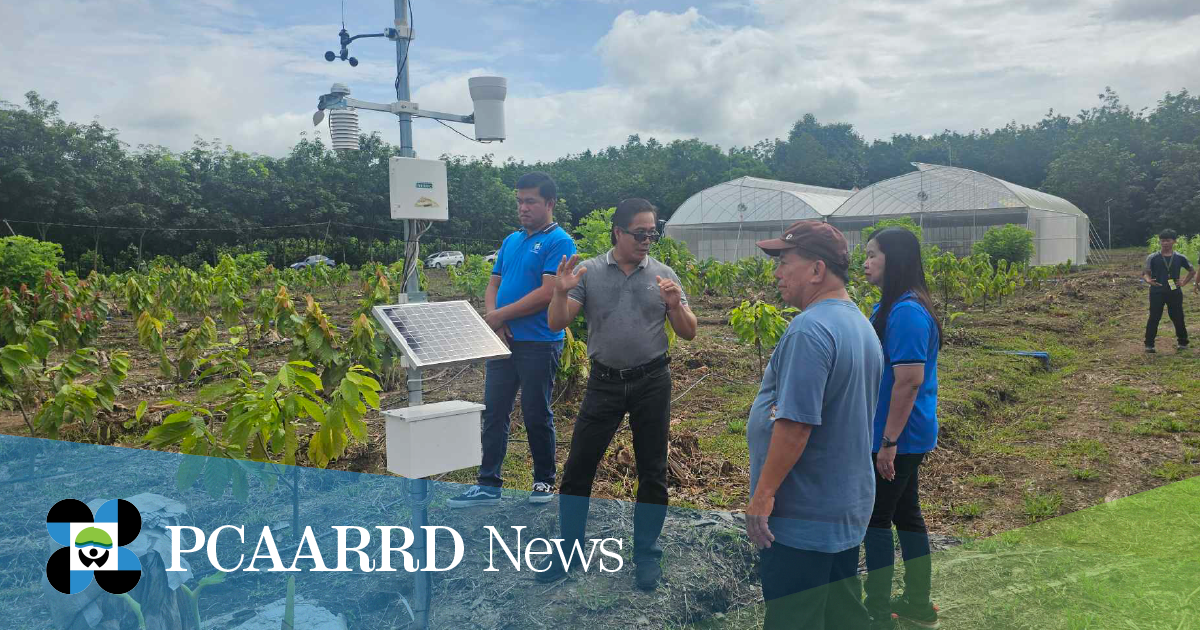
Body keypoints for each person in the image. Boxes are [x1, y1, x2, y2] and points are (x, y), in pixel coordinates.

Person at [534, 198, 697, 591]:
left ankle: (645, 556)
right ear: (618, 232)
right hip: (604, 382)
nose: (646, 241)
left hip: (652, 381)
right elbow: (557, 322)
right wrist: (559, 291)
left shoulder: (663, 274)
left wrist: (675, 306)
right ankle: (568, 552)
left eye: (652, 234)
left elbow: (689, 331)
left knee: (653, 471)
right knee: (577, 470)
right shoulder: (587, 273)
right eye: (640, 234)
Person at [744, 220, 883, 630]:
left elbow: (796, 425)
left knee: (794, 617)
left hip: (802, 513)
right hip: (841, 506)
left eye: (784, 261)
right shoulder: (858, 324)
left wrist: (764, 495)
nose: (777, 273)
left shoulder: (810, 329)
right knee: (841, 613)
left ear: (817, 270)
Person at [448, 172, 577, 508]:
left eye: (530, 201)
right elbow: (494, 284)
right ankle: (488, 484)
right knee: (494, 411)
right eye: (519, 201)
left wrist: (500, 316)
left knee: (536, 413)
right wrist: (495, 319)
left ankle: (544, 483)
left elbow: (548, 292)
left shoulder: (559, 242)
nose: (523, 208)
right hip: (503, 340)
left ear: (549, 203)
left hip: (539, 341)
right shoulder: (511, 240)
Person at [860, 228, 943, 630]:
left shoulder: (907, 311)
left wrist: (888, 443)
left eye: (873, 255)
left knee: (877, 518)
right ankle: (916, 602)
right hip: (904, 433)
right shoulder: (890, 305)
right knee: (906, 515)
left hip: (900, 436)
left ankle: (876, 611)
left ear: (895, 259)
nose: (866, 262)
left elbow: (909, 381)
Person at [1143, 229, 1194, 353]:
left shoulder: (1180, 257)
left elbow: (1192, 271)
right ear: (1160, 242)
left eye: (1168, 240)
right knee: (1154, 317)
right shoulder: (1153, 257)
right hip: (1157, 292)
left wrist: (1183, 283)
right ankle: (1149, 345)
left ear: (1174, 242)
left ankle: (1182, 342)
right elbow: (1145, 273)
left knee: (1178, 317)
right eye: (1162, 240)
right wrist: (1149, 280)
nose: (1165, 243)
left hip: (1174, 292)